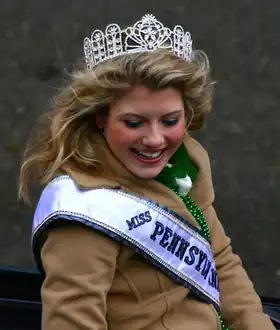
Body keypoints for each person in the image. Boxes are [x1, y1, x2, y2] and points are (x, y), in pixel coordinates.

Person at [19, 14, 275, 330]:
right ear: (100, 118)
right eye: (133, 123)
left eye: (170, 121)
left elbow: (220, 261)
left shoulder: (185, 165)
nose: (155, 140)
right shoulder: (84, 213)